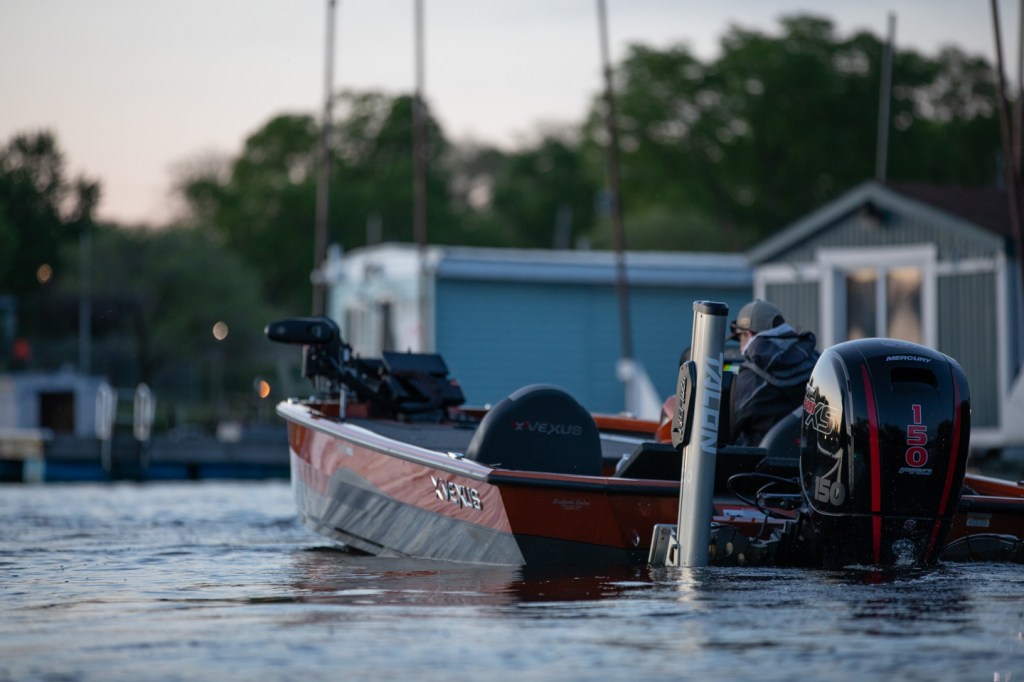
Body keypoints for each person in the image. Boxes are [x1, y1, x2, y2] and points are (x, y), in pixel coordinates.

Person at [728, 299, 819, 446]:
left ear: (748, 334)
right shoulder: (818, 362)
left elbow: (722, 435)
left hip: (762, 460)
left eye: (740, 338)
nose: (740, 347)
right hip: (815, 458)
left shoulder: (749, 379)